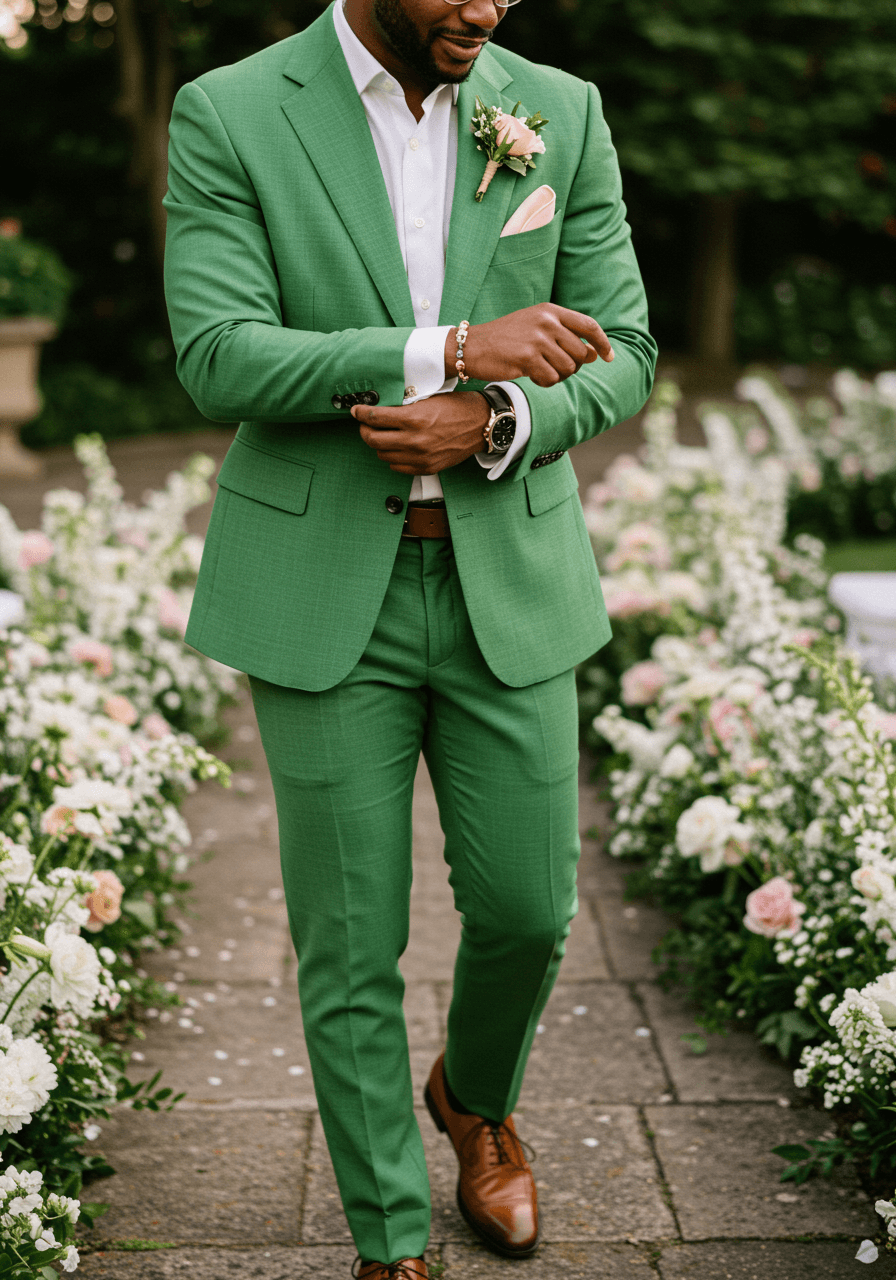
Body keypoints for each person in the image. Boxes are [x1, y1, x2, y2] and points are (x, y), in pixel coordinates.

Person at [163, 0, 656, 1275]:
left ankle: (474, 1097)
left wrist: (496, 414)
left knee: (528, 908)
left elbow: (626, 347)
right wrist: (446, 349)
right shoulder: (232, 112)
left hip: (511, 578)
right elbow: (217, 354)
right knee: (347, 940)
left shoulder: (559, 109)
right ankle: (389, 1240)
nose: (484, 9)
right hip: (322, 584)